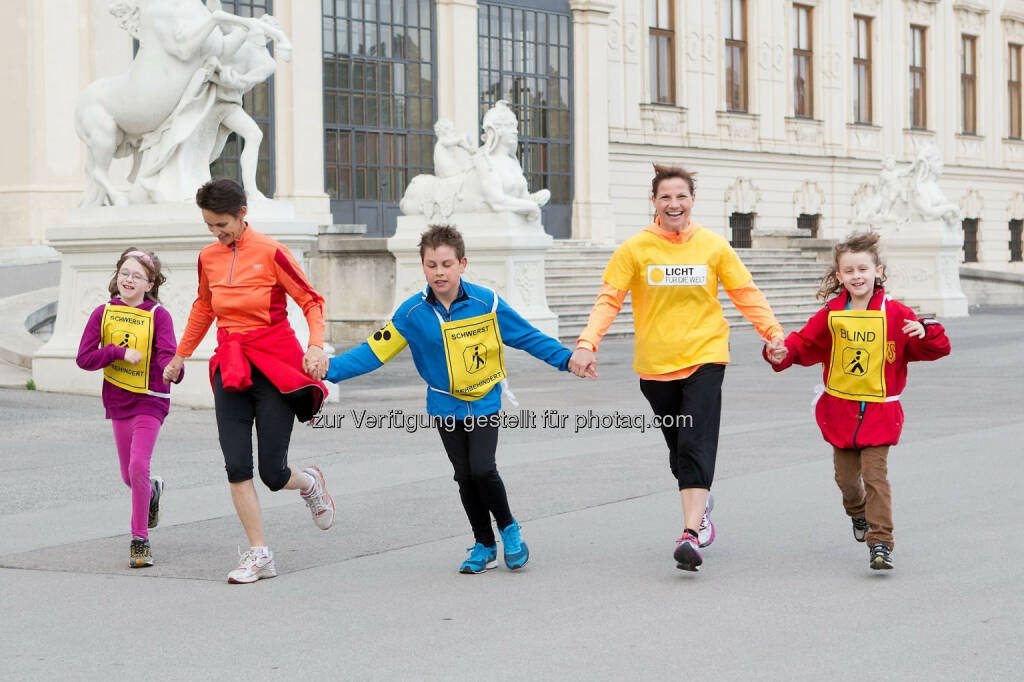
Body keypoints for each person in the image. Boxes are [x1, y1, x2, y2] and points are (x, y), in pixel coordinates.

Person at [322, 225, 592, 574]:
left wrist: (567, 359)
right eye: (431, 264)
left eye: (446, 264)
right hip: (444, 406)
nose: (439, 272)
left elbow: (527, 336)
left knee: (483, 469)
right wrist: (328, 370)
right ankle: (483, 544)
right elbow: (373, 352)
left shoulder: (486, 302)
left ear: (462, 264)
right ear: (422, 267)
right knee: (464, 477)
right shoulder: (411, 313)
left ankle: (509, 528)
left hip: (483, 402)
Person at [568, 163, 786, 572]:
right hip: (655, 366)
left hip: (706, 356)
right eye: (665, 197)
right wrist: (586, 344)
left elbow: (745, 292)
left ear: (692, 201)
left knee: (694, 443)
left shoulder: (713, 246)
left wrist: (772, 333)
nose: (674, 204)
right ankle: (701, 505)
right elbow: (609, 300)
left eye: (681, 196)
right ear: (653, 202)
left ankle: (689, 534)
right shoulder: (635, 249)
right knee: (679, 451)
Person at [161, 178, 334, 584]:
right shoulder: (208, 257)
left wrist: (315, 346)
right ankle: (261, 554)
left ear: (242, 214)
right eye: (209, 227)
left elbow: (311, 300)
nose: (217, 234)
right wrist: (180, 355)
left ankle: (308, 482)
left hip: (273, 367)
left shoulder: (272, 253)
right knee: (237, 466)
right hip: (231, 367)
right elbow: (204, 307)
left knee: (274, 475)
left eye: (222, 225)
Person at [764, 231, 950, 570]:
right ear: (839, 276)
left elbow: (934, 347)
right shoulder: (832, 314)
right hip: (841, 413)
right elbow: (804, 343)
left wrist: (926, 332)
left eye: (863, 269)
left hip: (880, 413)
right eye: (849, 271)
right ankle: (858, 514)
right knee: (847, 481)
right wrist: (780, 352)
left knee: (876, 478)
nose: (857, 276)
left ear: (878, 271)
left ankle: (881, 543)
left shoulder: (894, 311)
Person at [77, 247, 183, 568]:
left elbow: (168, 354)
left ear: (150, 284)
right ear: (117, 277)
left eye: (137, 276)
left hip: (152, 398)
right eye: (124, 273)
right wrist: (115, 353)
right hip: (118, 399)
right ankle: (151, 491)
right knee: (129, 476)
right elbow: (85, 358)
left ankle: (140, 539)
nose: (129, 279)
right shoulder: (102, 313)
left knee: (138, 466)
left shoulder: (158, 316)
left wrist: (172, 369)